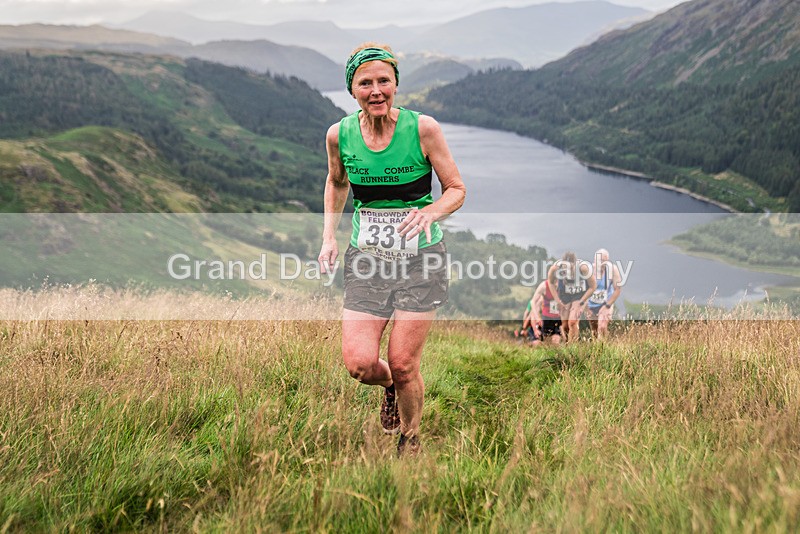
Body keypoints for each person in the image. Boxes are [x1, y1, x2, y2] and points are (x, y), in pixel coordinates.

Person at [317, 43, 466, 457]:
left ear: (396, 84)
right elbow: (337, 182)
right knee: (360, 364)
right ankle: (388, 389)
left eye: (384, 80)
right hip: (368, 261)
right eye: (366, 83)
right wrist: (329, 236)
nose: (376, 90)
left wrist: (430, 214)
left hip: (422, 259)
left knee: (403, 363)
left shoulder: (423, 129)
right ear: (353, 90)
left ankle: (411, 438)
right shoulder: (339, 134)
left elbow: (456, 189)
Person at [547, 251, 596, 342]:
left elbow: (593, 286)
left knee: (573, 322)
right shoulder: (555, 268)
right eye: (565, 271)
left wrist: (582, 301)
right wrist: (557, 300)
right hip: (564, 294)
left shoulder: (583, 268)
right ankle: (567, 342)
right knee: (565, 325)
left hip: (579, 294)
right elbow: (550, 282)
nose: (568, 273)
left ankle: (573, 347)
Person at [585, 248, 623, 340]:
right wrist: (586, 308)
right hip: (591, 304)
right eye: (599, 260)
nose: (601, 264)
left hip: (606, 302)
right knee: (594, 330)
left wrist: (607, 305)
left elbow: (617, 290)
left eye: (604, 261)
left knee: (602, 326)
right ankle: (599, 349)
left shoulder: (613, 270)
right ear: (594, 260)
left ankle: (602, 348)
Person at [527, 279, 563, 346]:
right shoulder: (541, 297)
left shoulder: (562, 285)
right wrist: (535, 329)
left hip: (556, 319)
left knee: (556, 341)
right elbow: (532, 314)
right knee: (542, 344)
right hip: (544, 321)